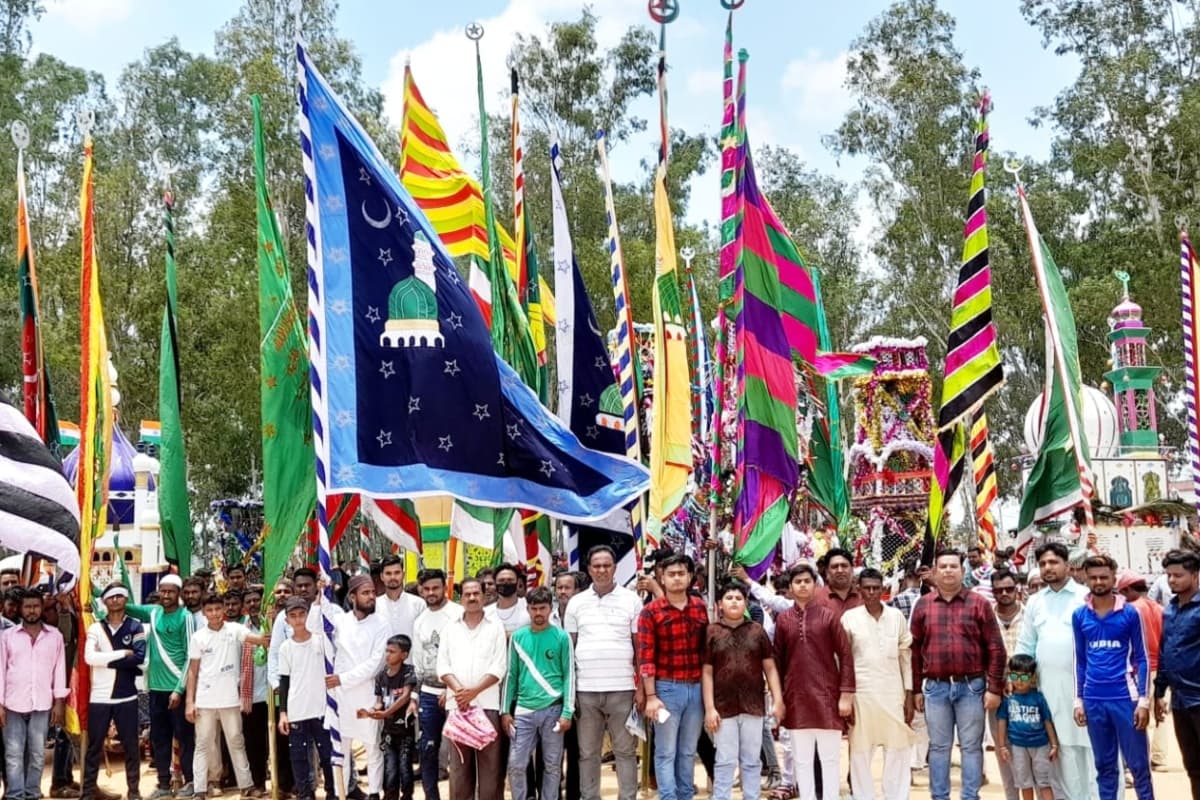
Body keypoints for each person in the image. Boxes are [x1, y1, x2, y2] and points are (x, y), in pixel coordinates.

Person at [910, 550, 1005, 800]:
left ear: (962, 571)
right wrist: (917, 689)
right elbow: (914, 651)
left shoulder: (979, 604)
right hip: (935, 688)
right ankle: (939, 796)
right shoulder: (923, 605)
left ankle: (970, 796)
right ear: (935, 572)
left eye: (953, 566)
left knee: (971, 747)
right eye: (943, 566)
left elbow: (996, 648)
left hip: (971, 687)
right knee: (938, 747)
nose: (948, 571)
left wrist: (994, 688)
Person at [1016, 542, 1094, 800]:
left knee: (1092, 751)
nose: (1047, 568)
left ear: (1067, 565)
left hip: (1085, 690)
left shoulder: (1086, 596)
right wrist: (1017, 681)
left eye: (1053, 562)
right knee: (1060, 752)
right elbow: (1026, 645)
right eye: (1042, 564)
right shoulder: (1035, 602)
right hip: (1049, 690)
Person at [564, 545, 643, 800]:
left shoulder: (632, 600)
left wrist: (641, 688)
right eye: (596, 566)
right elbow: (569, 650)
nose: (602, 570)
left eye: (607, 565)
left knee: (625, 751)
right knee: (588, 753)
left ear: (615, 568)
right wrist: (570, 694)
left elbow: (639, 647)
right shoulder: (576, 603)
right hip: (585, 691)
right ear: (589, 569)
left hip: (623, 689)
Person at [1072, 554, 1153, 800]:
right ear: (1086, 579)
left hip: (1125, 698)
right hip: (1094, 699)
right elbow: (1080, 661)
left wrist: (1144, 701)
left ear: (1113, 578)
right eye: (1093, 577)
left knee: (1138, 766)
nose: (1098, 582)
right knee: (1104, 766)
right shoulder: (1080, 615)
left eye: (1103, 577)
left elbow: (1143, 658)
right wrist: (1078, 700)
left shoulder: (1130, 613)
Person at [774, 562, 855, 800]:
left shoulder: (829, 617)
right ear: (790, 588)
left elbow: (846, 655)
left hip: (827, 698)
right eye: (797, 582)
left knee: (830, 759)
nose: (802, 586)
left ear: (815, 585)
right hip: (796, 699)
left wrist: (846, 695)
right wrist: (778, 699)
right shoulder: (783, 620)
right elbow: (777, 662)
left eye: (807, 581)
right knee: (801, 760)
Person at [701, 580, 782, 800]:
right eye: (729, 598)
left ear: (746, 602)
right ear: (720, 604)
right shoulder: (712, 632)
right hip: (722, 707)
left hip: (753, 705)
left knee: (751, 760)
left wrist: (777, 699)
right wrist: (709, 708)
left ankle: (751, 796)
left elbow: (770, 668)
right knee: (725, 760)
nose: (734, 602)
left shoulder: (757, 631)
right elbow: (707, 672)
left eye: (739, 598)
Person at [184, 594, 269, 800]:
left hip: (230, 700)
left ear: (223, 609)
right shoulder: (198, 637)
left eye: (217, 609)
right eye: (210, 610)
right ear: (204, 613)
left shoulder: (235, 630)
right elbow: (193, 671)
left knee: (236, 741)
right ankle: (200, 789)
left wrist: (269, 622)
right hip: (205, 701)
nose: (214, 614)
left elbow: (260, 640)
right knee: (203, 744)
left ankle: (246, 785)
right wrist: (190, 702)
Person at [639, 553, 709, 800]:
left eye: (681, 573)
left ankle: (685, 795)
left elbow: (706, 650)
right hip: (666, 689)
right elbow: (646, 656)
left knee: (688, 751)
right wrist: (651, 696)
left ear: (690, 577)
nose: (677, 578)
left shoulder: (700, 607)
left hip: (696, 689)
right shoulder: (651, 612)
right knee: (666, 751)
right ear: (662, 578)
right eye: (671, 574)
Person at [841, 568, 914, 800]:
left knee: (898, 748)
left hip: (893, 692)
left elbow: (905, 656)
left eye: (876, 588)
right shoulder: (849, 618)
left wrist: (909, 693)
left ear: (883, 589)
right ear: (859, 590)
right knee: (860, 751)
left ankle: (897, 796)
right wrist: (846, 697)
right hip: (861, 693)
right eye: (867, 588)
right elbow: (843, 660)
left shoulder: (896, 617)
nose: (872, 592)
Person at [124, 574, 198, 800]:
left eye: (171, 591)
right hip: (155, 689)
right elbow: (127, 606)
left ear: (178, 593)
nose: (166, 595)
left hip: (177, 689)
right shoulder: (154, 612)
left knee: (185, 738)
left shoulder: (186, 617)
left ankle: (190, 782)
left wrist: (179, 690)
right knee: (159, 738)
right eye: (163, 591)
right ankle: (164, 784)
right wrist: (95, 592)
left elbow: (191, 656)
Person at [437, 578, 507, 800]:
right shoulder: (450, 628)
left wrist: (474, 691)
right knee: (459, 770)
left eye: (476, 593)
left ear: (484, 596)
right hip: (458, 707)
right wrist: (461, 692)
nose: (472, 597)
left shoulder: (495, 627)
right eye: (467, 594)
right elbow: (442, 665)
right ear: (461, 598)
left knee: (490, 769)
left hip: (487, 705)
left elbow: (499, 666)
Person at [501, 587, 574, 800]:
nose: (538, 613)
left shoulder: (562, 637)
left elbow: (569, 676)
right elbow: (511, 675)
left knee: (552, 765)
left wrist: (567, 712)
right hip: (523, 711)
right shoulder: (518, 637)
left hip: (554, 709)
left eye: (542, 608)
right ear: (528, 609)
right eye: (534, 609)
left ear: (550, 608)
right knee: (516, 765)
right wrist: (505, 711)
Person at [0, 588, 68, 800]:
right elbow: (0, 670)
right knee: (13, 754)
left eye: (36, 606)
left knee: (37, 754)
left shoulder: (55, 636)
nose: (32, 611)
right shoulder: (7, 636)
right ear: (21, 609)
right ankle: (15, 795)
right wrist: (0, 704)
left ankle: (32, 793)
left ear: (42, 608)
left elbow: (59, 670)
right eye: (27, 606)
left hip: (42, 704)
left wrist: (59, 702)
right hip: (12, 704)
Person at [328, 575, 390, 800]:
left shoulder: (382, 624)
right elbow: (316, 628)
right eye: (365, 593)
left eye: (373, 592)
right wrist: (320, 595)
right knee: (341, 750)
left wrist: (343, 678)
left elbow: (376, 664)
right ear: (352, 597)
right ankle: (340, 793)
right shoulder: (340, 622)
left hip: (368, 694)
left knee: (372, 747)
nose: (371, 596)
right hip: (342, 697)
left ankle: (374, 793)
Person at [81, 584, 145, 800]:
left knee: (131, 746)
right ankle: (88, 792)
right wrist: (122, 654)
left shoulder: (135, 626)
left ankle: (133, 791)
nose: (115, 600)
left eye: (120, 596)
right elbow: (89, 658)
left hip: (127, 695)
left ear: (126, 599)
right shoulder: (96, 628)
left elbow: (139, 657)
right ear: (104, 601)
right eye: (111, 596)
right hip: (99, 697)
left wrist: (105, 661)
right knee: (94, 747)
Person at [276, 597, 336, 800]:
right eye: (293, 616)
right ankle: (305, 794)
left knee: (327, 754)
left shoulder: (321, 641)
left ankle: (332, 792)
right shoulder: (286, 647)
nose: (298, 619)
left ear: (308, 615)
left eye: (302, 614)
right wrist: (283, 713)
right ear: (287, 620)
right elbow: (284, 681)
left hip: (321, 708)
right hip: (297, 709)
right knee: (299, 758)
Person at [411, 569, 463, 800]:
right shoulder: (420, 621)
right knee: (428, 748)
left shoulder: (458, 614)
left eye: (436, 588)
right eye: (427, 589)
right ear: (421, 590)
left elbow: (464, 656)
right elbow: (418, 661)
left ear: (444, 588)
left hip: (457, 693)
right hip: (428, 694)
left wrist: (450, 690)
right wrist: (414, 696)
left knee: (460, 751)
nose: (431, 593)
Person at [1154, 548, 1200, 800]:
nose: (1172, 580)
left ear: (1195, 575)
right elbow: (1165, 651)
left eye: (1178, 575)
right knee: (1193, 766)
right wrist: (1159, 691)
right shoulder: (1169, 611)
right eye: (1169, 575)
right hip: (1180, 701)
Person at [1118, 570, 1168, 769]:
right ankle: (1159, 757)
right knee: (1160, 712)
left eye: (1122, 592)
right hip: (1161, 667)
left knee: (1138, 713)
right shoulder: (1160, 609)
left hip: (1140, 668)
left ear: (1128, 590)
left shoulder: (1131, 610)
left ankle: (1139, 758)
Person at [996, 654, 1060, 800]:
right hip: (1017, 746)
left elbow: (1047, 721)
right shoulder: (1008, 699)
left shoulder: (1038, 698)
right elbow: (1002, 721)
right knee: (1024, 783)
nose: (1019, 681)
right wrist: (1002, 746)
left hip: (1040, 746)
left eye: (1024, 677)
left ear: (1032, 677)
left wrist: (1054, 744)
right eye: (1014, 676)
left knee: (1044, 782)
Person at [990, 568, 1026, 800]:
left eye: (1009, 589)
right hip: (997, 693)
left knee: (1033, 748)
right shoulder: (986, 617)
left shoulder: (1031, 615)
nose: (1004, 593)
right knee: (1003, 748)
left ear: (1017, 589)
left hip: (1029, 692)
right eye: (999, 590)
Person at [368, 635, 417, 800]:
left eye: (392, 651)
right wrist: (373, 711)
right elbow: (379, 701)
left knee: (405, 768)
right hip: (388, 732)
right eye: (387, 651)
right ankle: (390, 796)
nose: (387, 655)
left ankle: (407, 795)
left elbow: (405, 696)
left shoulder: (408, 672)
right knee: (390, 769)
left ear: (404, 655)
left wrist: (386, 713)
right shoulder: (381, 676)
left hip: (405, 731)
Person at [238, 588, 270, 795]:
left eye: (256, 600)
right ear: (244, 606)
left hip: (274, 695)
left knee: (278, 742)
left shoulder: (273, 625)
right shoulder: (241, 630)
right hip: (253, 696)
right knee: (254, 742)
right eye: (248, 601)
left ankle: (284, 784)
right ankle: (258, 782)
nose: (253, 604)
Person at [375, 556, 425, 640]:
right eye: (388, 573)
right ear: (382, 577)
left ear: (403, 575)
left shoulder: (419, 604)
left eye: (397, 573)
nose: (393, 577)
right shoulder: (375, 606)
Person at [485, 563, 530, 636]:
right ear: (495, 583)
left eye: (510, 580)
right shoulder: (486, 613)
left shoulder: (530, 607)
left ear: (517, 583)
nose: (506, 583)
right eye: (501, 580)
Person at [816, 548, 862, 613]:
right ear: (827, 571)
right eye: (835, 567)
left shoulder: (864, 596)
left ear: (852, 569)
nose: (840, 570)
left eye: (844, 566)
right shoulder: (816, 599)